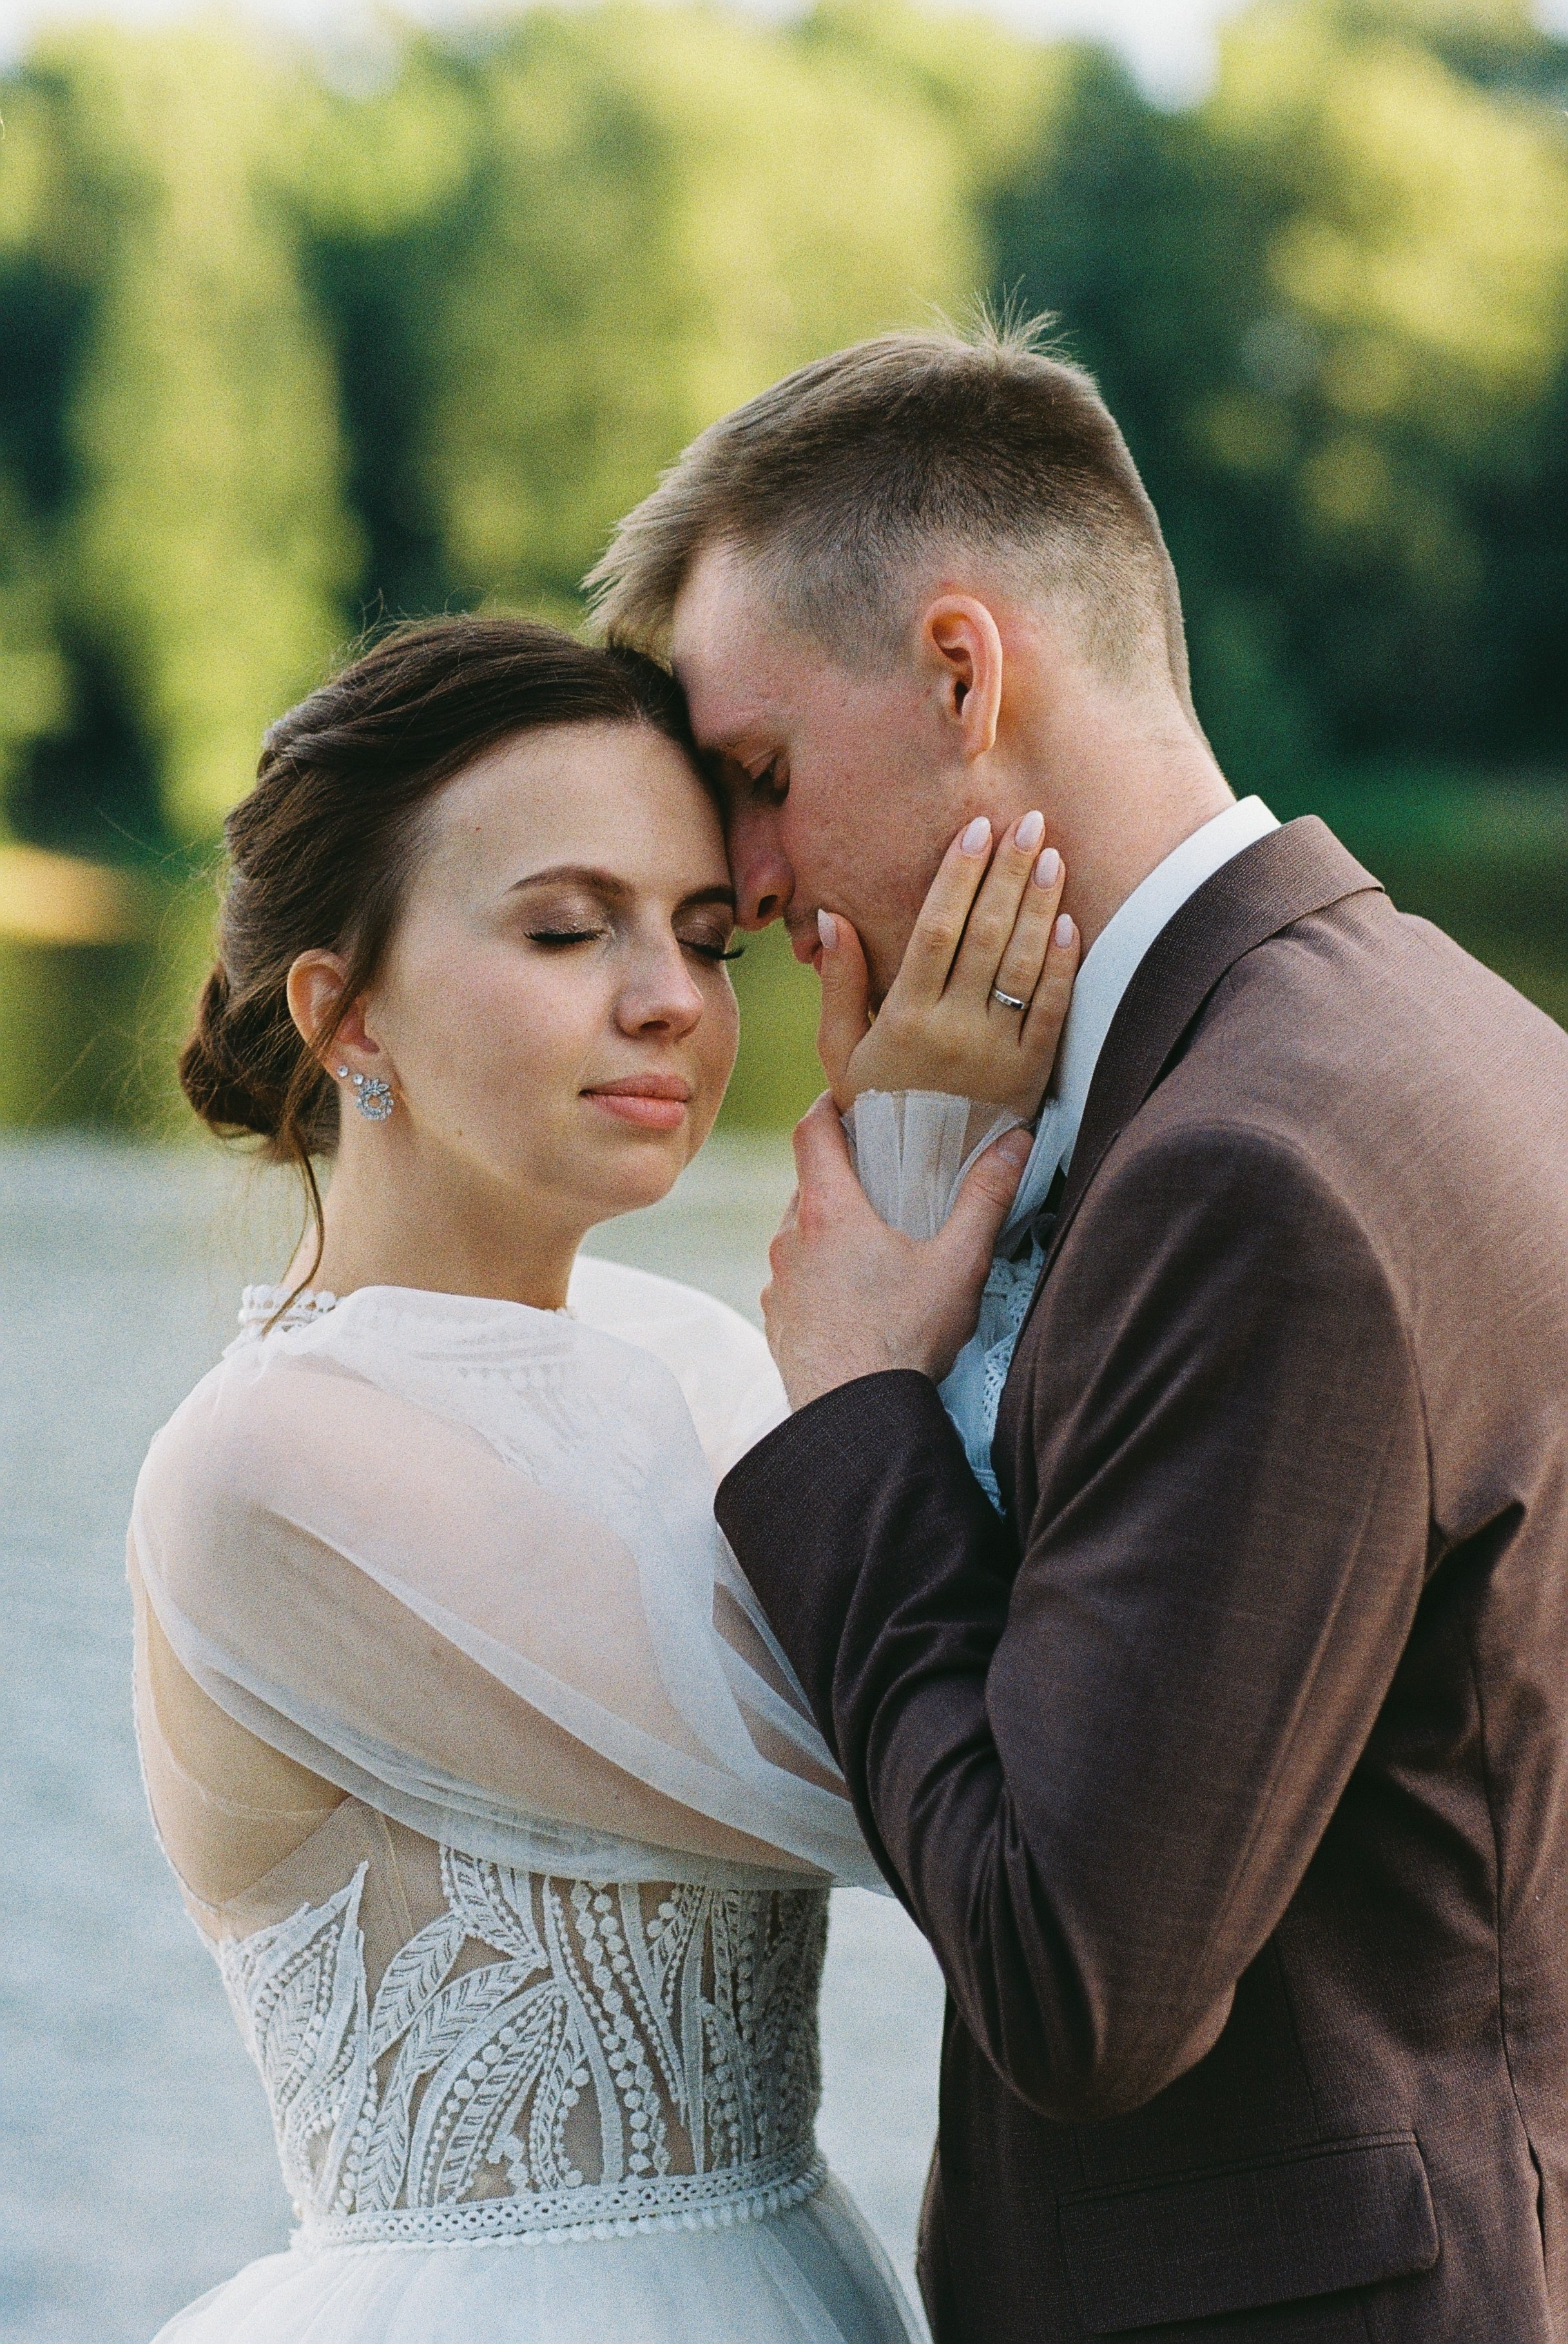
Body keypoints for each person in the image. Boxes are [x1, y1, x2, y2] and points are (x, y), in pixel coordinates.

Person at [589, 319, 1568, 2342]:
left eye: (759, 779)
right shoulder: (1459, 1040)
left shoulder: (1248, 1174)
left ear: (963, 672)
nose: (750, 882)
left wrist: (856, 1398)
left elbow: (1074, 1980)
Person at [128, 613, 1076, 2344]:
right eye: (567, 929)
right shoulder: (273, 1464)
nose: (667, 999)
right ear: (344, 1013)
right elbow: (912, 1772)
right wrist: (926, 1170)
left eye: (704, 938)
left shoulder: (699, 1358)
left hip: (789, 2268)